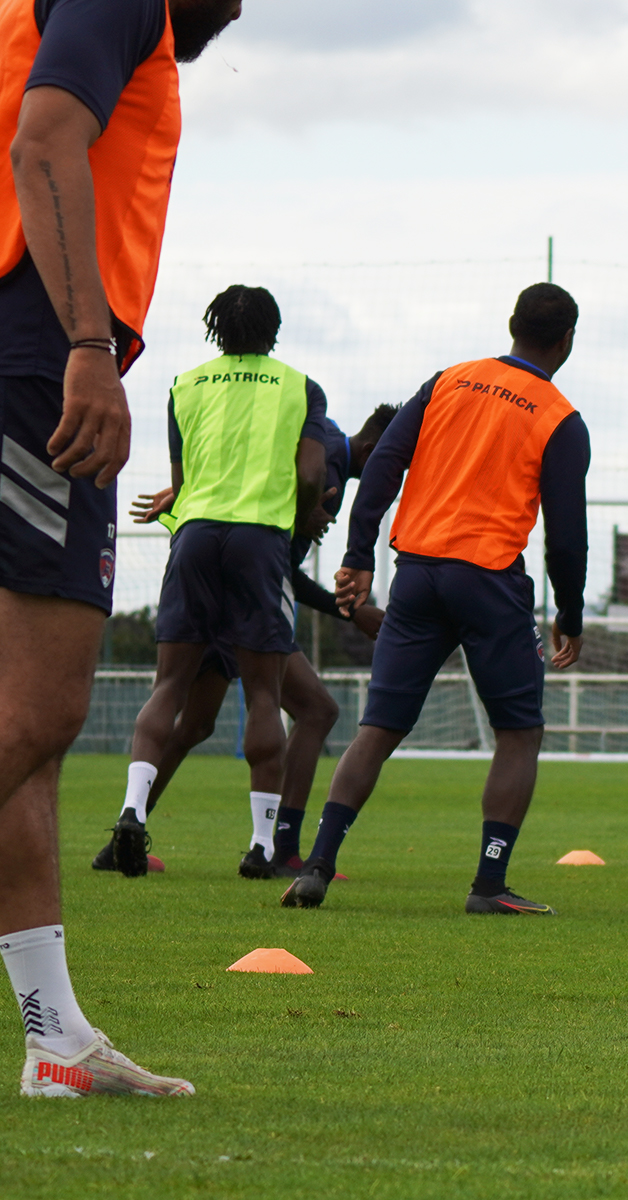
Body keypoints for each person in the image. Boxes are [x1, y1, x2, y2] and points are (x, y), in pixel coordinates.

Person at [0, 0, 241, 1098]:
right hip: (35, 361)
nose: (240, 8)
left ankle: (54, 1035)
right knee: (39, 713)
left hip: (29, 347)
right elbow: (44, 135)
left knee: (29, 746)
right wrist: (87, 347)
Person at [280, 283, 589, 914]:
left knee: (377, 729)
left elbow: (386, 464)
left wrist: (357, 556)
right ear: (566, 342)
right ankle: (488, 884)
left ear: (511, 325)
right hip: (490, 580)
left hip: (416, 571)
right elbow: (568, 533)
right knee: (519, 733)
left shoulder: (448, 380)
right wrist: (571, 612)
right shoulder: (561, 417)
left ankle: (317, 865)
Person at [91, 393, 396, 878]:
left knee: (193, 721)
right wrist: (351, 611)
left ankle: (124, 834)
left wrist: (186, 488)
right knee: (316, 709)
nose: (395, 478)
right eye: (397, 462)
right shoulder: (327, 475)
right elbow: (281, 573)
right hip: (245, 595)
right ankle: (279, 848)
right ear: (377, 447)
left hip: (201, 566)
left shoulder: (321, 436)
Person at [108, 285, 327, 887]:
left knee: (170, 684)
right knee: (263, 691)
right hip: (259, 540)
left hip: (196, 534)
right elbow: (310, 471)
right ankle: (260, 845)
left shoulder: (185, 384)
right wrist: (304, 514)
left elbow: (184, 480)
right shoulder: (299, 386)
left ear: (216, 331)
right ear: (273, 330)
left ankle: (131, 809)